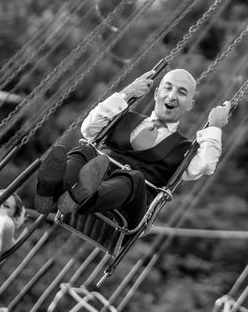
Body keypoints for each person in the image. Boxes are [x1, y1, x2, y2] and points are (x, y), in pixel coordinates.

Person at [34, 68, 230, 228]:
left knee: (133, 177)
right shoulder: (125, 117)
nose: (172, 96)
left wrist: (214, 128)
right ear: (156, 93)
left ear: (190, 105)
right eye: (167, 88)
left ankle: (85, 196)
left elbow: (205, 166)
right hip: (100, 170)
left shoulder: (185, 149)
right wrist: (126, 93)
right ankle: (51, 189)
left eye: (182, 92)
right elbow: (88, 129)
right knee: (86, 151)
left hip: (133, 200)